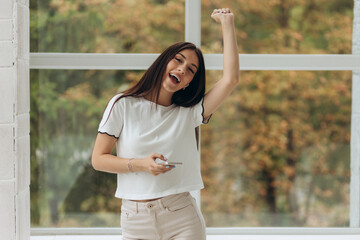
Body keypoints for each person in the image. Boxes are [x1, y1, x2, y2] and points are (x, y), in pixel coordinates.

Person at [91, 8, 239, 240]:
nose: (182, 69)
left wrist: (227, 24)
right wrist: (141, 164)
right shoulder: (122, 104)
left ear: (189, 83)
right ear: (163, 62)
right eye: (178, 60)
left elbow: (231, 79)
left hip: (181, 217)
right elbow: (98, 159)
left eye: (191, 70)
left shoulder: (188, 113)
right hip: (134, 218)